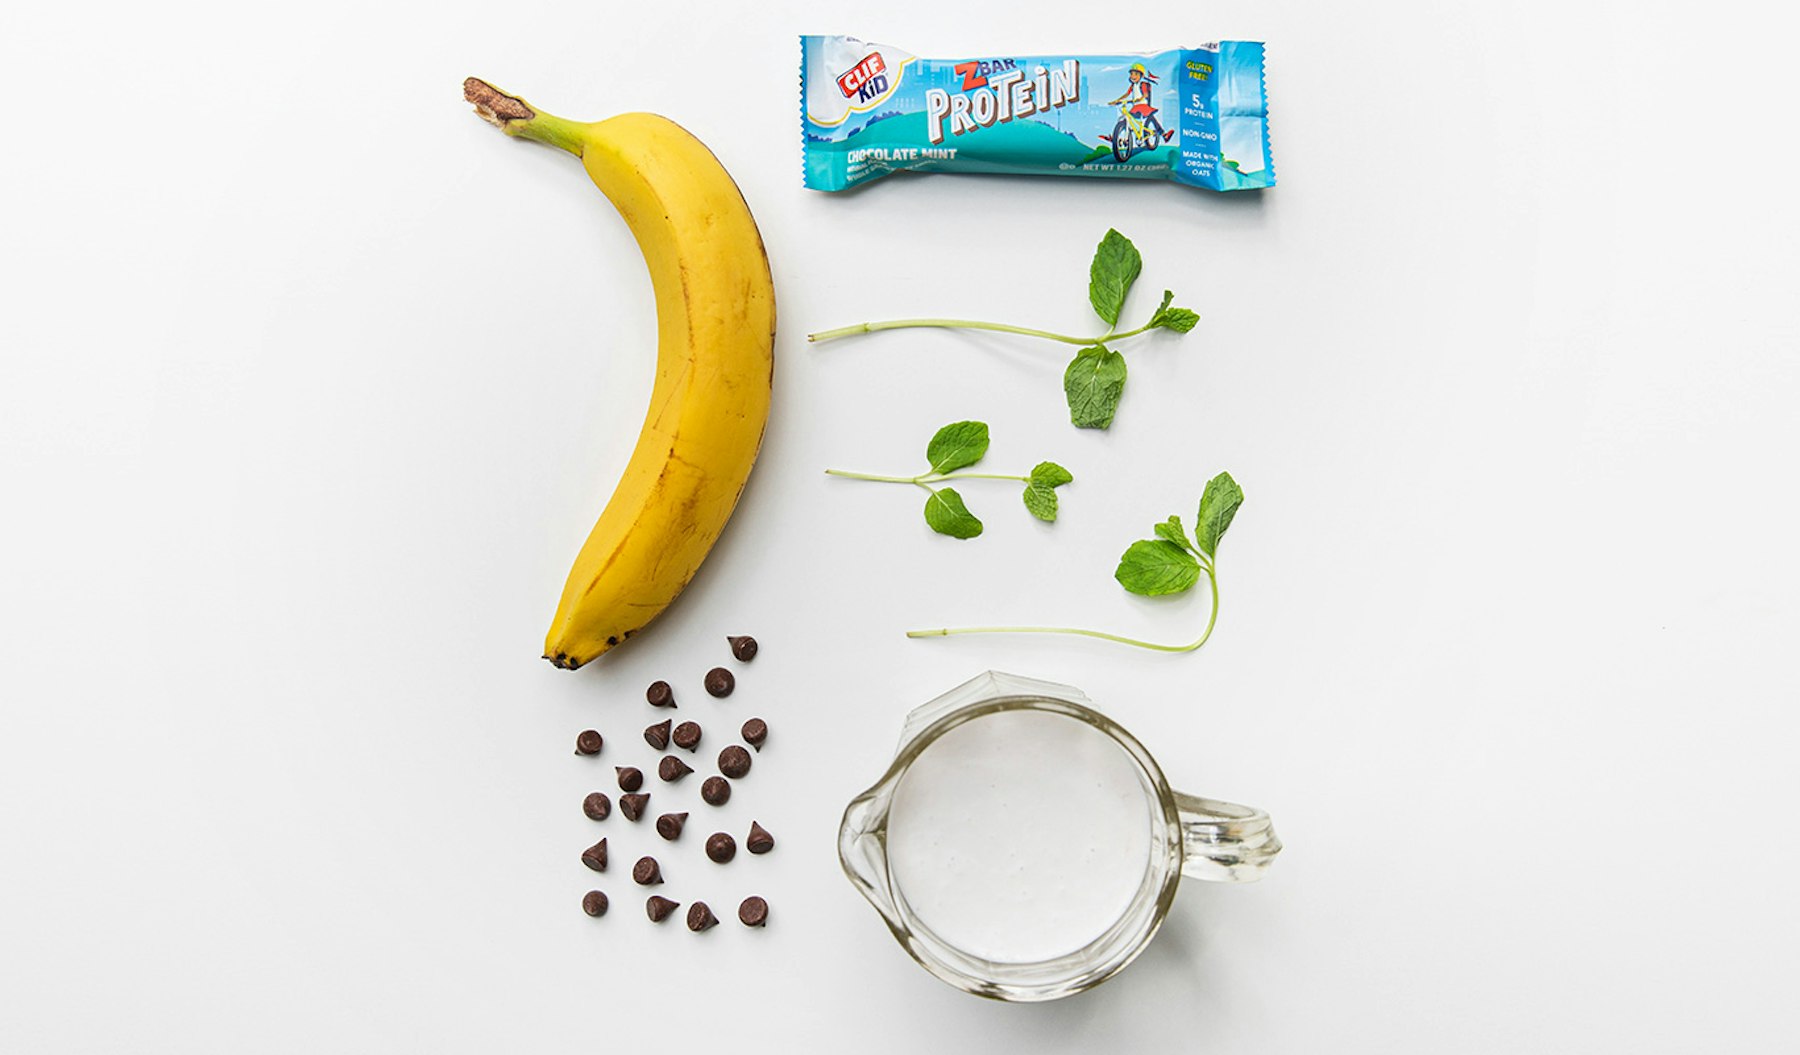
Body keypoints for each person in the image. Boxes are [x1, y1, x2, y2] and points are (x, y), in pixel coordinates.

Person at [1106, 63, 1174, 144]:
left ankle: (1163, 134)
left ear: (1141, 75)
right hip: (1136, 107)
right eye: (1131, 74)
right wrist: (1116, 100)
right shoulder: (1132, 86)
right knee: (1124, 117)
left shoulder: (1143, 84)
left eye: (1136, 74)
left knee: (1150, 117)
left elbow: (1145, 94)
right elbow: (1126, 94)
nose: (1133, 76)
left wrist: (1140, 99)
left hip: (1143, 106)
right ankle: (1117, 136)